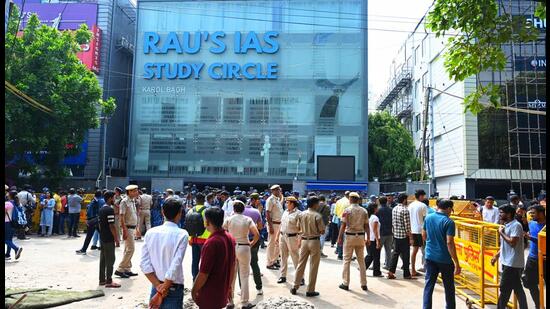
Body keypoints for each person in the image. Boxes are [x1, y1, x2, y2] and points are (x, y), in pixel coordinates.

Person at [141, 198, 188, 308]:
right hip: (172, 288)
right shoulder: (182, 234)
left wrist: (158, 288)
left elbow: (144, 264)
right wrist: (162, 290)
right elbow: (175, 265)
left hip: (156, 285)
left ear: (162, 211)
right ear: (180, 213)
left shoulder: (150, 233)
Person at [192, 207, 236, 309]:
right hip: (221, 292)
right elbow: (233, 265)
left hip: (209, 294)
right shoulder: (230, 237)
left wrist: (194, 290)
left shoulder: (211, 243)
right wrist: (228, 286)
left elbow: (203, 273)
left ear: (207, 222)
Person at [422, 199, 461, 309]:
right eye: (451, 210)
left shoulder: (428, 217)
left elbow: (424, 235)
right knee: (449, 287)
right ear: (448, 208)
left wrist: (430, 245)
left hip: (429, 256)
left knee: (429, 285)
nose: (451, 212)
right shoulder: (449, 222)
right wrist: (456, 263)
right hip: (445, 259)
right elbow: (449, 242)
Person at [224, 200, 259, 309]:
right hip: (244, 246)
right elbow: (256, 234)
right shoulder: (247, 219)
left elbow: (223, 232)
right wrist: (251, 244)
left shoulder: (228, 219)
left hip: (232, 247)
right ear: (243, 209)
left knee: (231, 275)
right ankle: (244, 302)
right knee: (244, 275)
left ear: (233, 209)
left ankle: (230, 301)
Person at [491, 205, 528, 309]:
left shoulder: (516, 225)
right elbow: (504, 245)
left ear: (508, 214)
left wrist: (501, 233)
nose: (499, 215)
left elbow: (512, 243)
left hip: (513, 263)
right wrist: (496, 256)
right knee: (517, 288)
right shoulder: (506, 225)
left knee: (504, 289)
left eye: (501, 213)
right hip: (507, 262)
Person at [290, 196, 325, 297]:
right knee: (313, 266)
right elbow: (322, 231)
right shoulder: (317, 216)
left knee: (301, 264)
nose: (318, 205)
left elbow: (297, 227)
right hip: (314, 241)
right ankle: (310, 290)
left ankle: (295, 286)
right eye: (317, 203)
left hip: (304, 240)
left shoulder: (301, 214)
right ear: (314, 204)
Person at [337, 192, 370, 291]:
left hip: (349, 237)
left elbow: (343, 225)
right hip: (360, 237)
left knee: (346, 260)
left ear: (350, 199)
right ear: (358, 199)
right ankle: (364, 284)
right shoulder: (364, 211)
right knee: (361, 261)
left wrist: (339, 238)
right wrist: (368, 238)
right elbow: (367, 226)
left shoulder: (347, 210)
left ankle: (345, 283)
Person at [522, 205, 546, 308]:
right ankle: (538, 305)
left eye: (533, 213)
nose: (531, 215)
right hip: (532, 259)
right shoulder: (531, 223)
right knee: (529, 283)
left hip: (545, 259)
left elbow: (543, 241)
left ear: (541, 213)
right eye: (530, 213)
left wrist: (530, 237)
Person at [115, 185, 140, 278]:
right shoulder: (124, 202)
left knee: (127, 249)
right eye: (134, 191)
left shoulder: (133, 201)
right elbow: (122, 217)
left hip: (132, 228)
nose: (137, 192)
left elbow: (134, 215)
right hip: (127, 228)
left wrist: (137, 228)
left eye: (137, 191)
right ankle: (120, 269)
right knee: (131, 249)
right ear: (129, 192)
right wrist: (124, 230)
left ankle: (127, 269)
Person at [387, 193, 414, 280]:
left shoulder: (394, 209)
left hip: (396, 235)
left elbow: (393, 222)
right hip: (404, 236)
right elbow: (407, 226)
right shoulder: (405, 210)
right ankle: (406, 274)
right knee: (406, 255)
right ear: (404, 200)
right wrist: (411, 237)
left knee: (395, 253)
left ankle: (391, 272)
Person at [98, 191, 121, 288]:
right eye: (114, 198)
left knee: (103, 259)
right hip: (108, 238)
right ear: (110, 198)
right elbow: (112, 226)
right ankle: (109, 281)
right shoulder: (109, 210)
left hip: (102, 237)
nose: (114, 200)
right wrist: (116, 239)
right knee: (111, 259)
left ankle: (102, 280)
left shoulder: (101, 209)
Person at [277, 196, 302, 285]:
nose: (286, 204)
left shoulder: (299, 214)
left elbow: (301, 229)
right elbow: (281, 224)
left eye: (287, 202)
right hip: (283, 236)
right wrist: (277, 237)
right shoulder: (285, 212)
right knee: (283, 257)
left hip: (293, 237)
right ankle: (283, 276)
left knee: (295, 257)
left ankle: (300, 277)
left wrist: (300, 240)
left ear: (292, 203)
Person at [243, 193, 264, 295]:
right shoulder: (256, 212)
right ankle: (259, 288)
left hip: (241, 242)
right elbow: (260, 227)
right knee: (254, 264)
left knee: (240, 267)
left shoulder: (235, 214)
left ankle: (242, 290)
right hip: (253, 241)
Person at [189, 193, 210, 281]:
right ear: (204, 200)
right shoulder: (207, 211)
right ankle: (203, 280)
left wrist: (190, 238)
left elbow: (189, 225)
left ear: (196, 200)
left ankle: (195, 279)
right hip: (205, 239)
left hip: (194, 239)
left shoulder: (191, 210)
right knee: (205, 261)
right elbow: (207, 225)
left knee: (195, 260)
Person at [409, 189, 428, 276]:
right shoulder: (423, 205)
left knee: (414, 251)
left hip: (412, 231)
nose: (424, 197)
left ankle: (413, 269)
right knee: (426, 250)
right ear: (421, 196)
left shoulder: (410, 205)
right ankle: (427, 269)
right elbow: (426, 220)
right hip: (421, 231)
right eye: (423, 196)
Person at [266, 184, 284, 269]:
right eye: (277, 190)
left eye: (279, 190)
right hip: (273, 224)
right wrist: (270, 226)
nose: (278, 191)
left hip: (279, 224)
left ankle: (275, 260)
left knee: (277, 244)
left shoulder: (277, 200)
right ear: (273, 191)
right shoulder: (270, 200)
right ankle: (269, 263)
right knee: (272, 244)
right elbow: (267, 213)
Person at [364, 202, 382, 277]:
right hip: (373, 239)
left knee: (370, 255)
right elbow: (375, 230)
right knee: (376, 256)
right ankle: (376, 272)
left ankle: (363, 267)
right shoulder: (375, 218)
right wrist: (378, 241)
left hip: (368, 238)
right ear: (375, 209)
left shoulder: (369, 217)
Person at [5, 191, 23, 260]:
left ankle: (16, 248)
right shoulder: (17, 203)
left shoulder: (8, 203)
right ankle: (7, 254)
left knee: (6, 239)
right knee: (9, 239)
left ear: (9, 195)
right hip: (14, 223)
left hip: (7, 223)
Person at [377, 196, 393, 270]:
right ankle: (388, 265)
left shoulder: (378, 210)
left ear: (379, 202)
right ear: (386, 201)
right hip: (390, 232)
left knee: (377, 250)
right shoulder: (391, 209)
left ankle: (376, 265)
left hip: (381, 232)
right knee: (388, 250)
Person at [334, 191, 351, 260]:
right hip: (346, 221)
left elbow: (335, 212)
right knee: (345, 238)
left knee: (340, 236)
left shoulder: (339, 201)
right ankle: (341, 254)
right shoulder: (349, 202)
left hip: (339, 219)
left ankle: (338, 251)